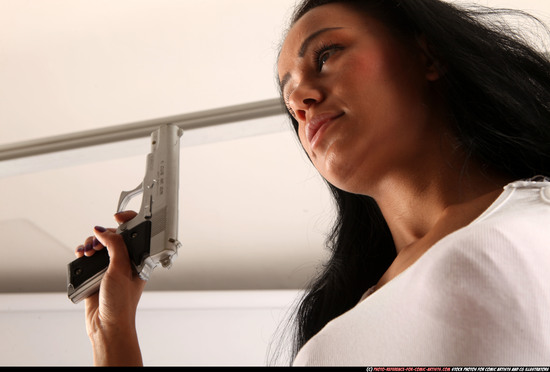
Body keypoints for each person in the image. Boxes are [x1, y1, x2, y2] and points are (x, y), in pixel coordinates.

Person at [76, 0, 550, 366]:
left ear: (426, 55)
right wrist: (112, 336)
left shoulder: (534, 219)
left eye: (326, 54)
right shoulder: (342, 318)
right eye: (289, 101)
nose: (300, 101)